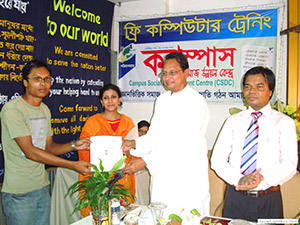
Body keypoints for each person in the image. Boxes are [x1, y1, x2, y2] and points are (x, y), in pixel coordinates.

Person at [0, 60, 93, 225]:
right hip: (19, 193)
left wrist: (74, 145)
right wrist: (72, 165)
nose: (43, 84)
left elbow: (49, 147)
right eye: (37, 79)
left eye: (47, 79)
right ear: (25, 82)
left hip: (41, 187)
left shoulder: (44, 109)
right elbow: (30, 151)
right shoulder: (13, 110)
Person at [121, 52, 210, 215]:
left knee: (185, 218)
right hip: (163, 178)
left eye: (173, 72)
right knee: (160, 216)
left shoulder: (195, 101)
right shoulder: (162, 100)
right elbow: (155, 135)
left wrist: (144, 161)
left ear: (186, 73)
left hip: (186, 178)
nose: (167, 77)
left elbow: (182, 144)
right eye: (164, 73)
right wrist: (134, 144)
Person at [211, 66, 298, 222]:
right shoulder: (233, 121)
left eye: (259, 86)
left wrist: (262, 178)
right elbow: (217, 159)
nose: (252, 91)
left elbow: (289, 164)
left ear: (270, 91)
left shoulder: (284, 123)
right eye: (247, 87)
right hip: (235, 198)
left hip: (269, 199)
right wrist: (239, 179)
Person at [78, 83, 137, 217]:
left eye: (113, 97)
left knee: (122, 215)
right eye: (106, 98)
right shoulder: (92, 122)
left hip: (121, 177)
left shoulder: (128, 122)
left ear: (119, 99)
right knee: (101, 215)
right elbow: (83, 151)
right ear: (101, 101)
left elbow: (136, 149)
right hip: (100, 178)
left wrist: (128, 151)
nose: (110, 101)